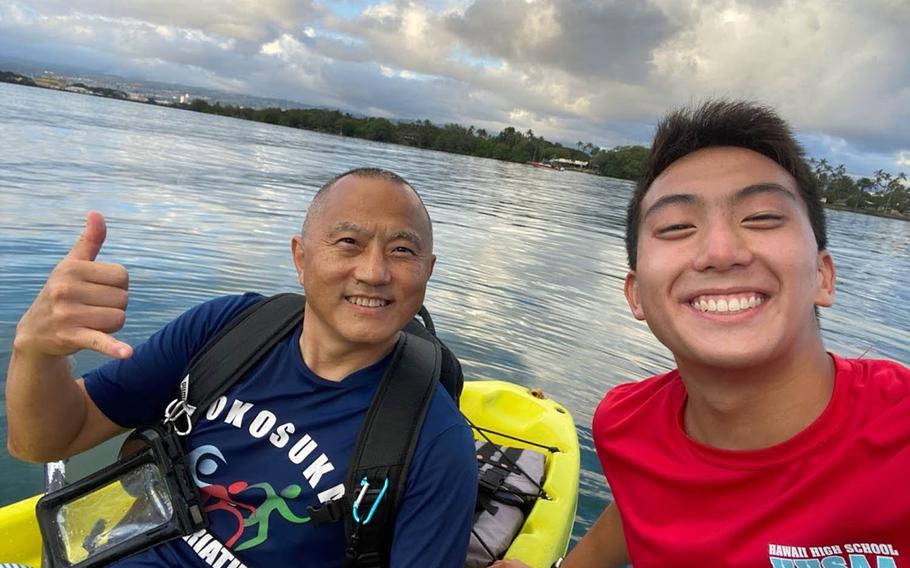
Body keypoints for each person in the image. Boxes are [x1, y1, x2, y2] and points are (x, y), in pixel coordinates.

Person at [493, 100, 910, 568]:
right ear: (636, 295)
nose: (720, 251)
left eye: (762, 217)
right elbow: (646, 503)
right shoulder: (628, 426)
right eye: (676, 227)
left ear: (823, 276)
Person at [5, 168, 478, 567]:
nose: (374, 272)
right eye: (349, 241)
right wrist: (37, 350)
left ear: (428, 271)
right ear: (301, 257)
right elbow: (45, 441)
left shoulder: (435, 443)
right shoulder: (229, 330)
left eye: (402, 250)